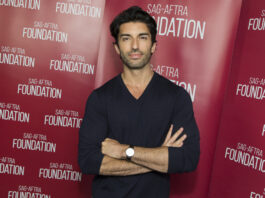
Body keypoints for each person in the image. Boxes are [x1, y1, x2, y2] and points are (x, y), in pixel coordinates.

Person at [78, 6, 200, 198]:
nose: (135, 46)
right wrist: (158, 157)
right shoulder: (100, 98)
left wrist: (123, 151)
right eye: (126, 38)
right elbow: (88, 161)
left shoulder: (176, 97)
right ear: (117, 47)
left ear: (153, 45)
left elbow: (187, 158)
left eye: (142, 37)